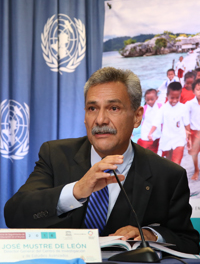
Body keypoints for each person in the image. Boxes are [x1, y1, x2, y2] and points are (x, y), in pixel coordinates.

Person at [4, 67, 199, 254]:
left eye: (113, 108)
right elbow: (15, 216)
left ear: (137, 117)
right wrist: (75, 192)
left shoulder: (167, 175)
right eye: (92, 108)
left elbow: (189, 243)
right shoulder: (55, 155)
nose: (100, 120)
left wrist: (152, 235)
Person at [148, 82, 191, 165]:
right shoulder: (163, 109)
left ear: (180, 95)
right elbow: (156, 121)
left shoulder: (183, 108)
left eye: (177, 98)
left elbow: (187, 123)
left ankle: (176, 176)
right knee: (168, 163)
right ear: (167, 95)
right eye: (172, 98)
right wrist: (150, 133)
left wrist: (189, 139)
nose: (174, 100)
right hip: (166, 139)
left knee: (176, 163)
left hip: (180, 139)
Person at [137, 89, 162, 154]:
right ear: (145, 99)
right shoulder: (144, 108)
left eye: (152, 99)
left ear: (157, 98)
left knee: (157, 148)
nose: (150, 102)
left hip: (157, 131)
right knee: (146, 149)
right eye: (147, 100)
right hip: (146, 131)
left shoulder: (160, 106)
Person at [186, 78, 200, 181]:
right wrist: (188, 134)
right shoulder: (189, 104)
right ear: (193, 91)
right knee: (194, 153)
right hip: (195, 132)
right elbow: (186, 120)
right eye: (198, 90)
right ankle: (196, 169)